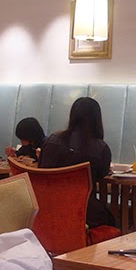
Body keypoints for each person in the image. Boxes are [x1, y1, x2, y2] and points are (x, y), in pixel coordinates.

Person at [39, 97, 113, 227]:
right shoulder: (101, 149)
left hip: (46, 209)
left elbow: (41, 170)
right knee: (110, 219)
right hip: (83, 213)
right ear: (97, 120)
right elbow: (101, 175)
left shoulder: (52, 140)